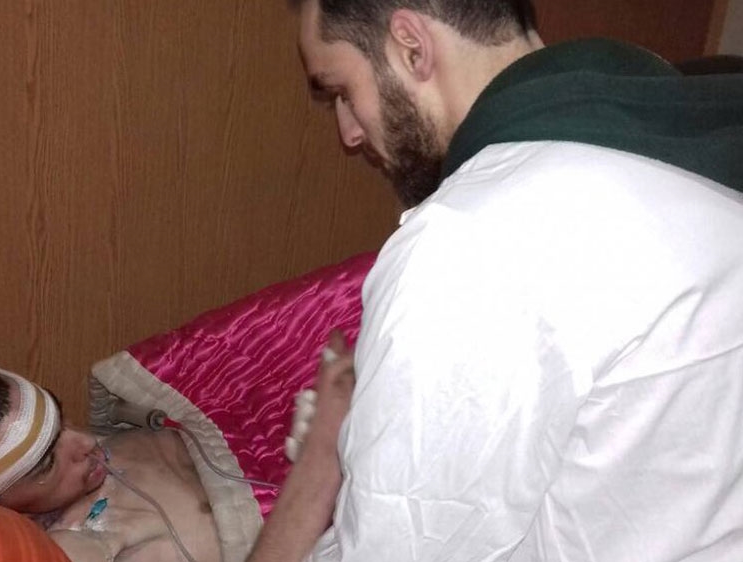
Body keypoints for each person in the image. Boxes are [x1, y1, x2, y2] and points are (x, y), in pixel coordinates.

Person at [248, 1, 743, 561]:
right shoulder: (686, 127)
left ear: (411, 46)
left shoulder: (468, 244)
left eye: (342, 90)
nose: (350, 133)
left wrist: (323, 462)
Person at [0, 363, 220, 562]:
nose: (86, 442)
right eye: (47, 462)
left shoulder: (117, 444)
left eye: (61, 421)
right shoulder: (74, 545)